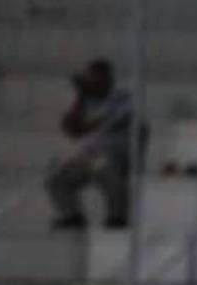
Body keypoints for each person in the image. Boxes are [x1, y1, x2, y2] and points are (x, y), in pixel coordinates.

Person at [46, 58, 136, 229]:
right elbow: (71, 129)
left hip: (112, 156)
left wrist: (85, 97)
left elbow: (98, 124)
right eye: (90, 78)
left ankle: (117, 219)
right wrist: (81, 97)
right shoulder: (84, 101)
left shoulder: (122, 99)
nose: (93, 82)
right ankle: (72, 216)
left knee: (106, 169)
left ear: (109, 79)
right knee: (55, 178)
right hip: (87, 158)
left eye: (97, 78)